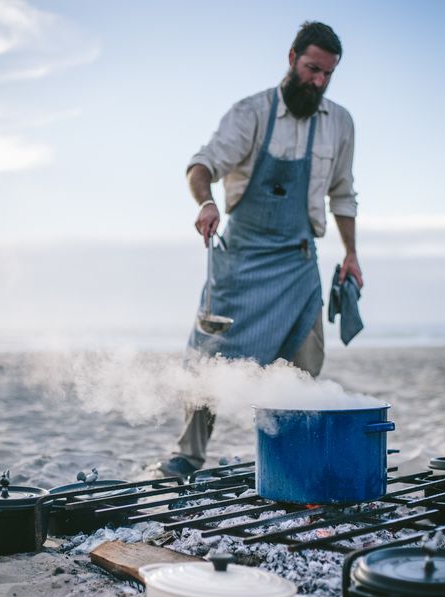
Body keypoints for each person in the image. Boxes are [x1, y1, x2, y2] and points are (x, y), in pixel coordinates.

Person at [159, 21, 363, 476]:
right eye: (312, 69)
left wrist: (351, 254)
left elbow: (343, 194)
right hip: (243, 259)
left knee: (305, 363)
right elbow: (201, 165)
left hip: (297, 260)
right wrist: (207, 201)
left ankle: (288, 460)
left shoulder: (341, 123)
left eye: (328, 74)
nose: (319, 81)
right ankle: (187, 456)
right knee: (208, 358)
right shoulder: (251, 113)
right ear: (292, 59)